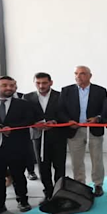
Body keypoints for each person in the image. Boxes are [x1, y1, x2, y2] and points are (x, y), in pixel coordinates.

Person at [0, 76, 42, 214]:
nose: (9, 88)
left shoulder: (24, 104)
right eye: (5, 85)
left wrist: (11, 128)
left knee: (18, 176)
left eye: (12, 85)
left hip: (18, 147)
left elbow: (29, 120)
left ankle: (23, 201)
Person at [58, 66, 107, 196]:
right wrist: (68, 121)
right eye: (76, 73)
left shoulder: (100, 91)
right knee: (77, 160)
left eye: (82, 74)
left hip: (94, 129)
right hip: (74, 130)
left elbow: (105, 110)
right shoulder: (66, 90)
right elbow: (60, 110)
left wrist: (97, 118)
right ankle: (80, 184)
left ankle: (98, 184)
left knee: (97, 159)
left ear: (90, 76)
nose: (78, 76)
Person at [24, 72, 67, 202]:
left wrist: (56, 122)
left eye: (44, 83)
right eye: (38, 83)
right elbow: (25, 115)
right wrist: (34, 124)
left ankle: (59, 192)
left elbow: (66, 113)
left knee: (59, 165)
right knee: (43, 166)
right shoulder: (27, 97)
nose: (41, 86)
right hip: (38, 136)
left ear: (51, 83)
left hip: (58, 135)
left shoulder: (61, 96)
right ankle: (48, 192)